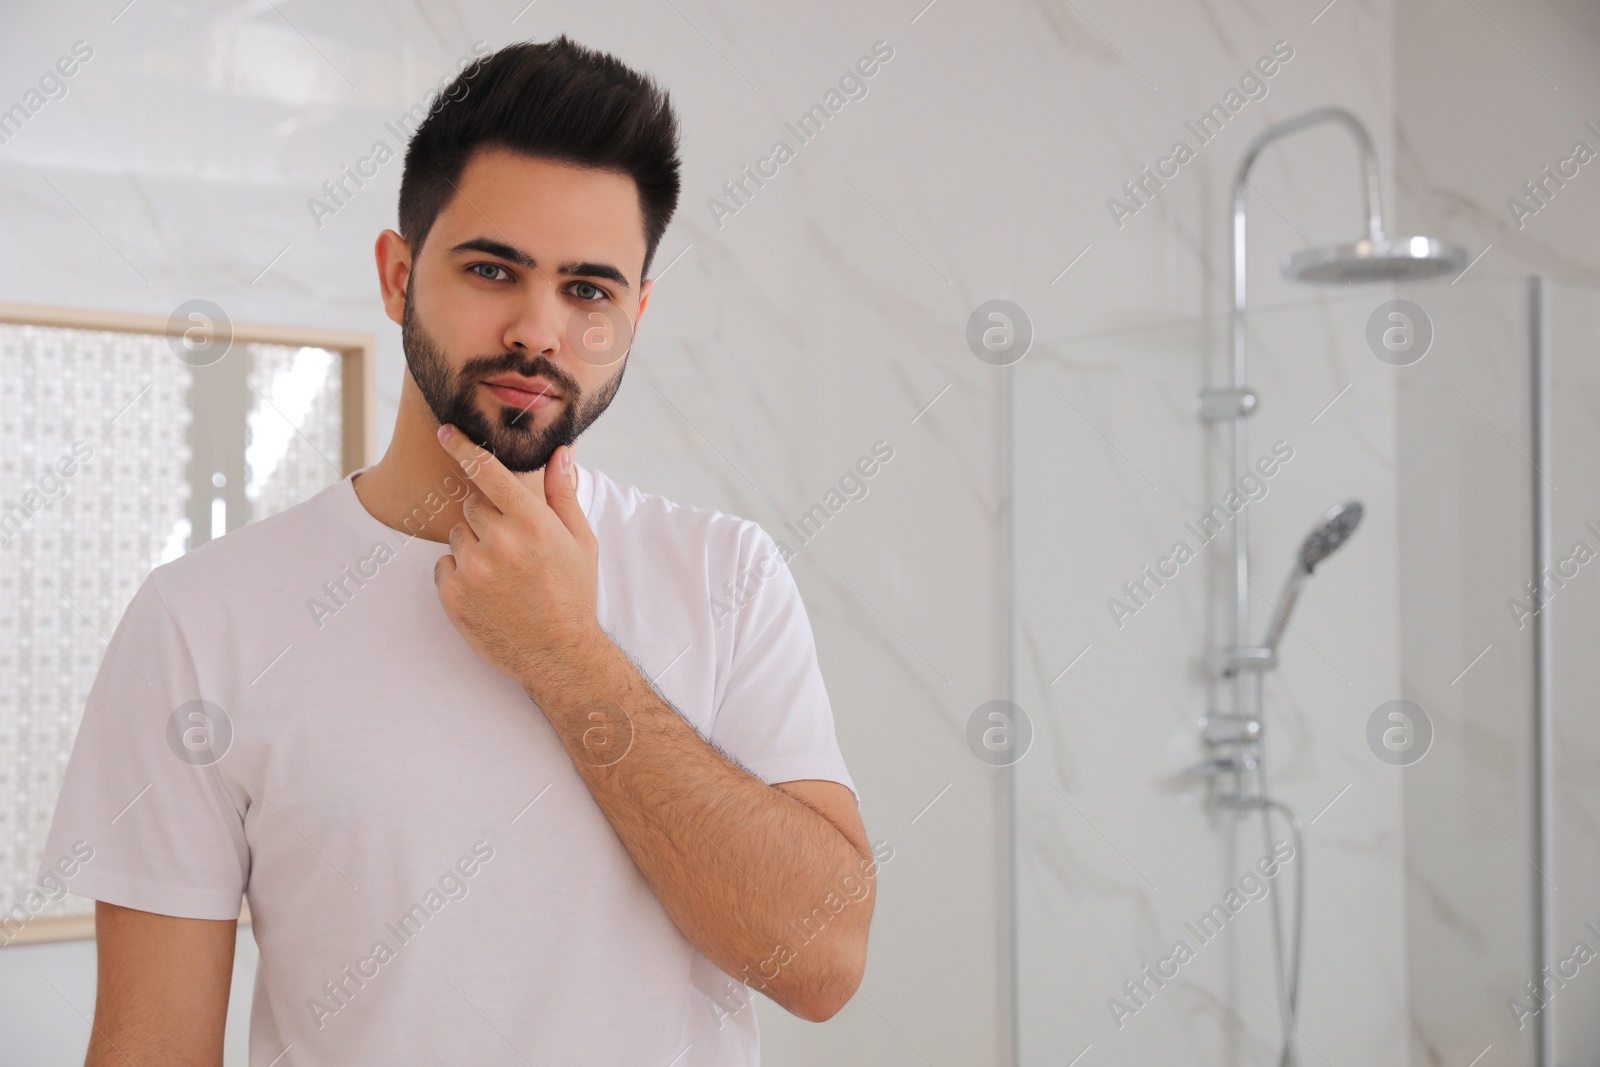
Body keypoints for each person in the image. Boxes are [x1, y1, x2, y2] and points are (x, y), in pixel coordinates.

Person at [38, 34, 877, 1066]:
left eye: (588, 290)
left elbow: (822, 959)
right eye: (493, 268)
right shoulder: (201, 621)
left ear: (636, 313)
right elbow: (150, 1046)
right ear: (397, 274)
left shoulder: (727, 576)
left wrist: (568, 656)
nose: (538, 328)